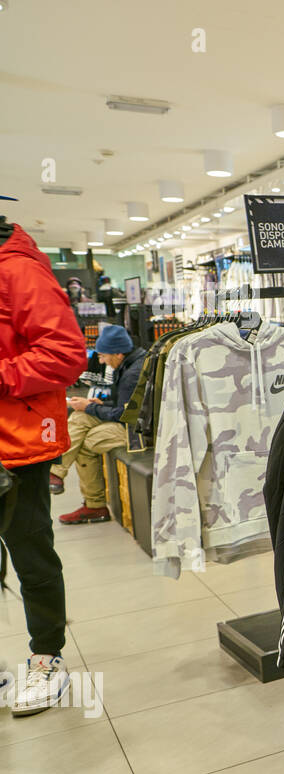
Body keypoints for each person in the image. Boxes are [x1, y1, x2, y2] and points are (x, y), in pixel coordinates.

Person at [0, 217, 88, 716]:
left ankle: (47, 656)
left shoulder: (18, 271)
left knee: (30, 550)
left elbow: (64, 354)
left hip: (17, 444)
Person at [50, 323, 143, 520]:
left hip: (138, 433)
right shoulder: (129, 364)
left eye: (102, 356)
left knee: (85, 439)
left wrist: (90, 407)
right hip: (132, 424)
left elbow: (125, 414)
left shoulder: (132, 374)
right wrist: (100, 402)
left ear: (118, 353)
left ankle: (94, 504)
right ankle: (58, 475)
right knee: (80, 418)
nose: (101, 361)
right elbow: (125, 404)